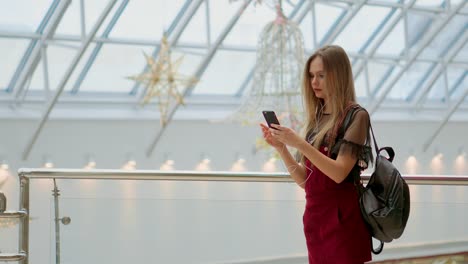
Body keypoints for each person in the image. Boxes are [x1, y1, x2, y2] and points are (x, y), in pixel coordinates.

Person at [260, 45, 373, 263]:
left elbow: (339, 173)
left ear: (339, 76)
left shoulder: (356, 116)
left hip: (342, 221)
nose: (314, 82)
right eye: (311, 76)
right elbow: (306, 181)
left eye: (321, 75)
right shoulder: (318, 117)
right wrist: (282, 147)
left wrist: (300, 144)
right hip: (315, 219)